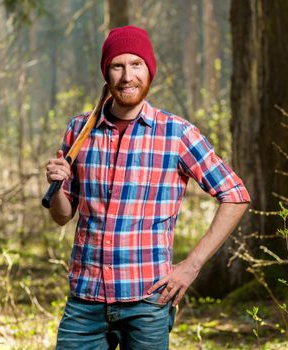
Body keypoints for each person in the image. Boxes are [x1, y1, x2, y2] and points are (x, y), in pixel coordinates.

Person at [45, 25, 250, 349]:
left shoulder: (177, 134)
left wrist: (191, 265)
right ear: (107, 74)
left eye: (136, 65)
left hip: (147, 302)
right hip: (85, 300)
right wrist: (56, 188)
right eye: (117, 66)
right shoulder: (80, 130)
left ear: (149, 71)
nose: (127, 76)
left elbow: (235, 195)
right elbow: (61, 216)